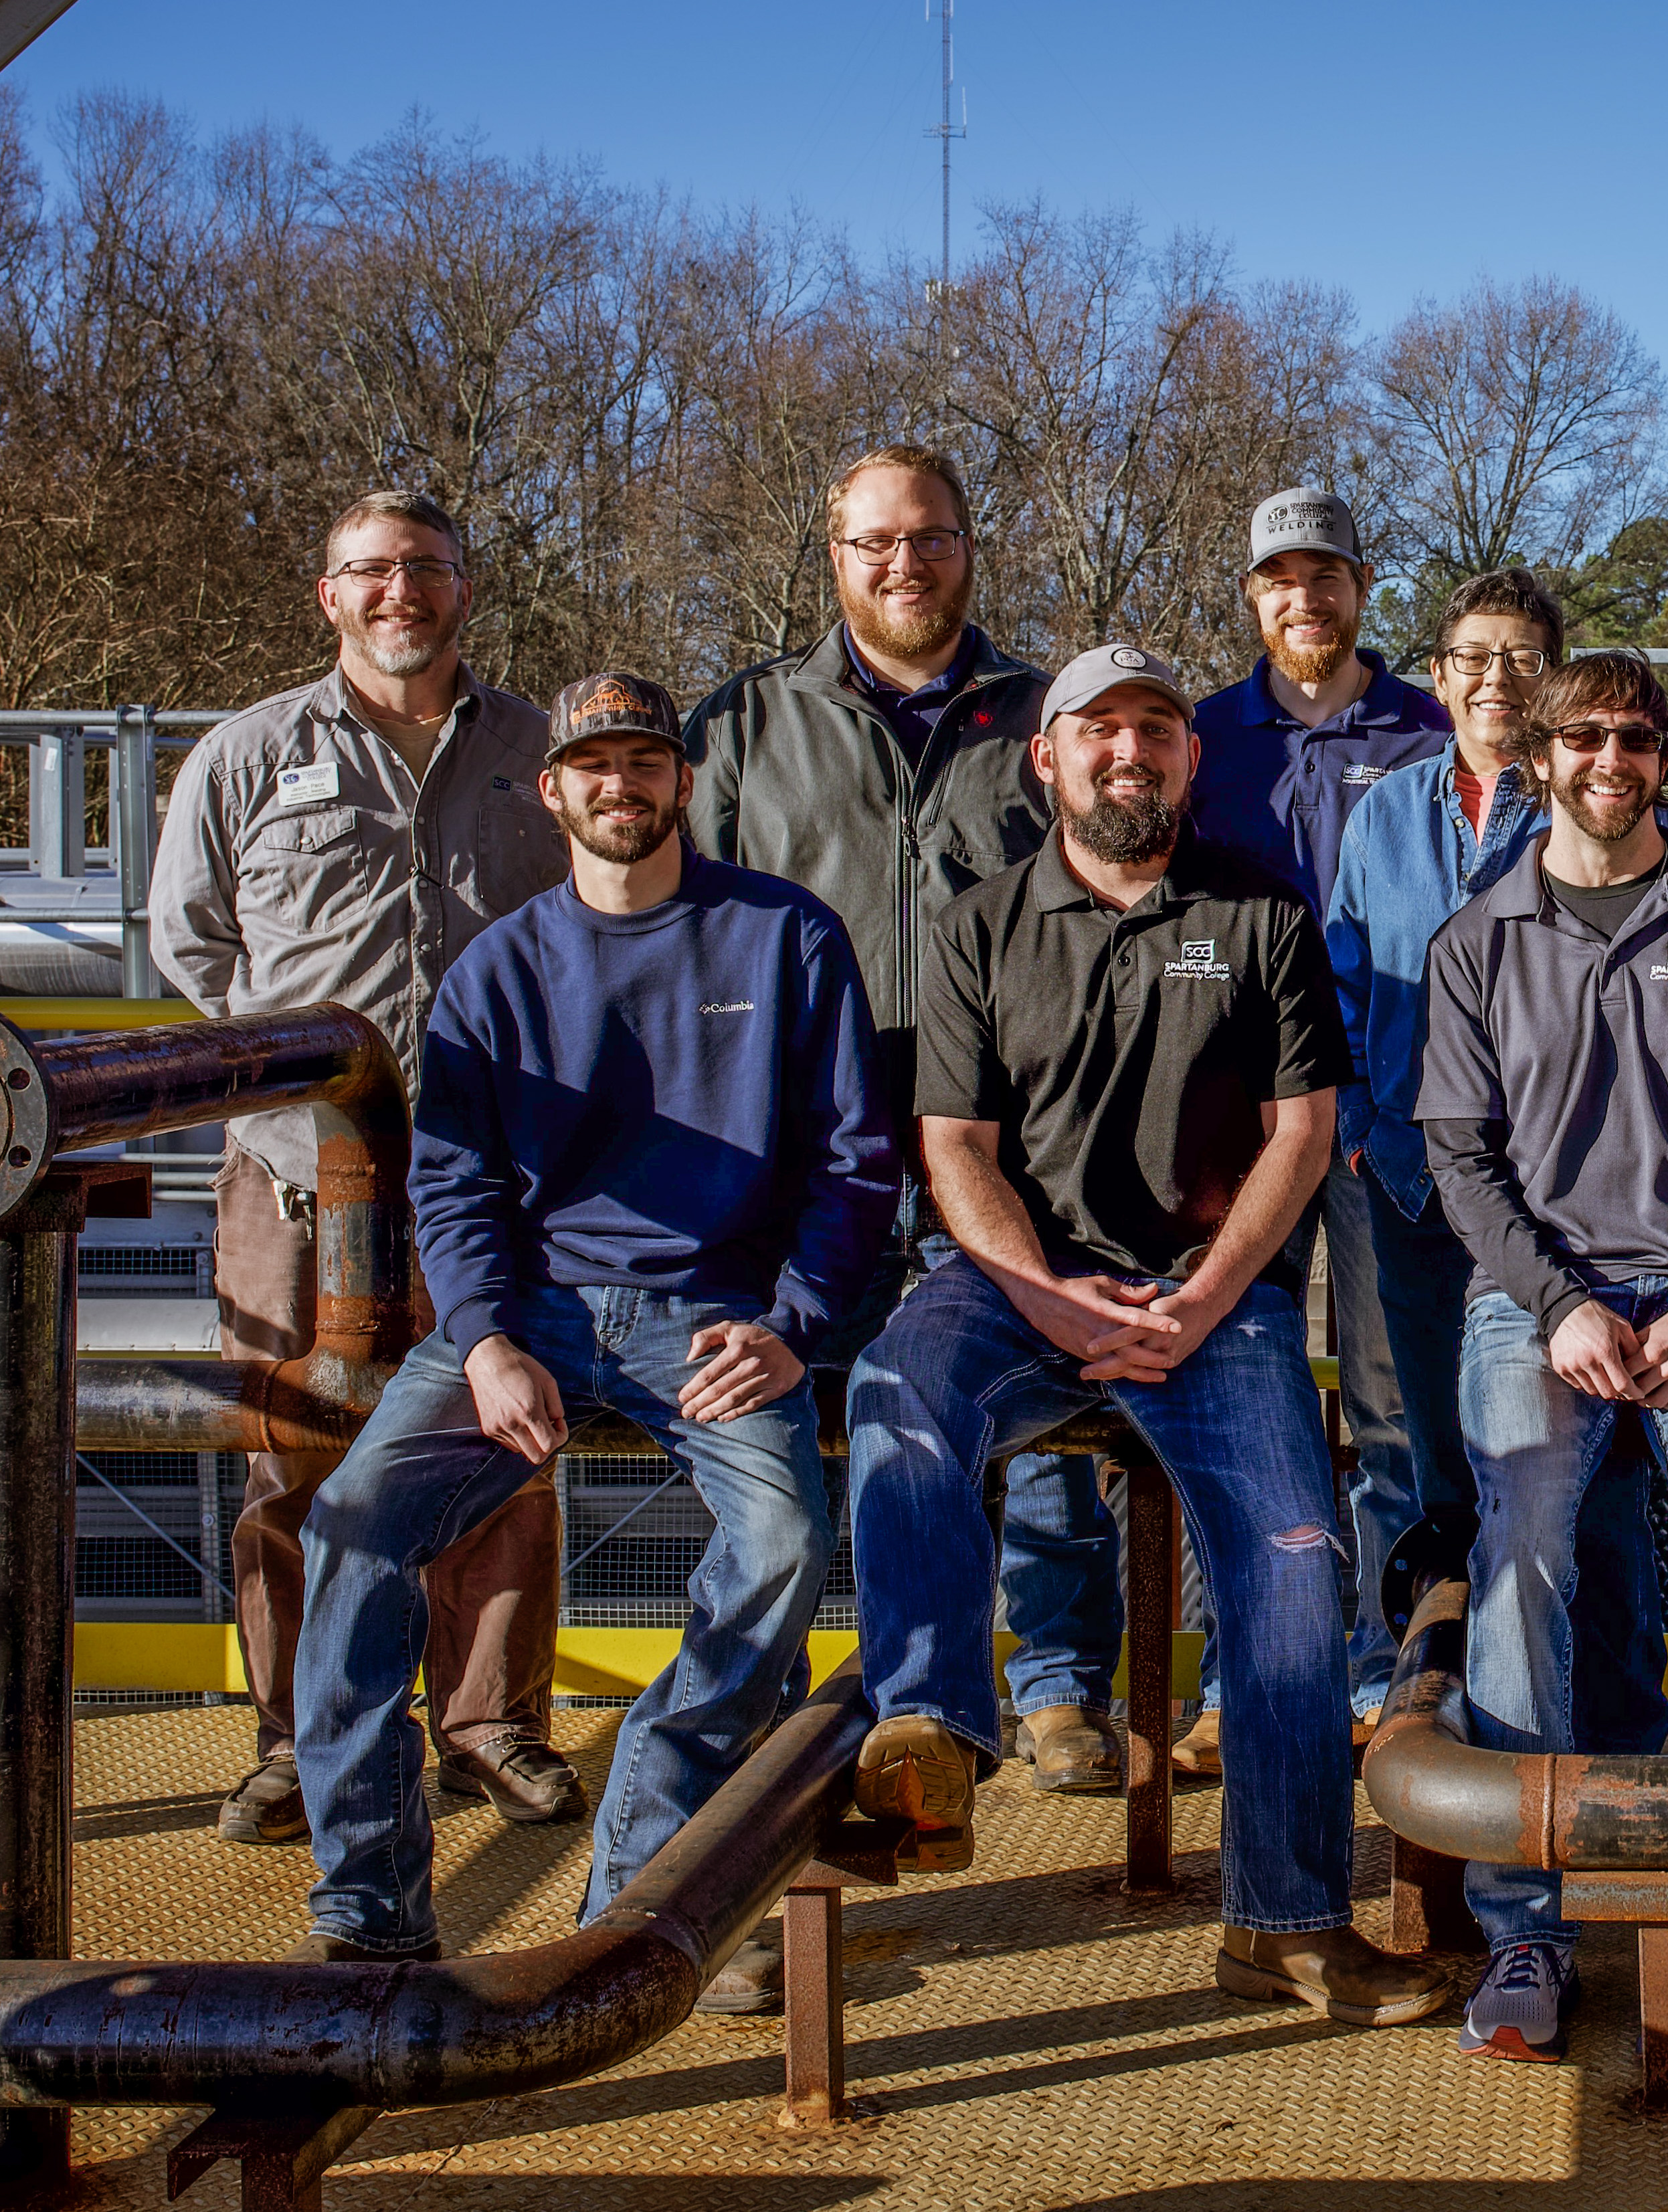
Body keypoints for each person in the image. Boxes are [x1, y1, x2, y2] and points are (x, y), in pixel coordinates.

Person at [844, 641, 1445, 2027]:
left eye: (1158, 730)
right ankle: (933, 1722)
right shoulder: (983, 921)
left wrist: (1209, 1296)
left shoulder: (1258, 908)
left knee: (1295, 1564)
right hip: (1014, 1281)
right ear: (1044, 758)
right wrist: (1050, 1297)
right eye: (1099, 730)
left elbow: (1303, 1132)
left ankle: (1286, 1920)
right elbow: (956, 1146)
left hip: (1208, 1293)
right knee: (897, 1390)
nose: (1132, 753)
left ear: (1191, 755)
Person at [282, 672, 897, 1960]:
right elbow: (448, 1179)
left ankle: (637, 1877)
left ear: (682, 781)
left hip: (720, 1314)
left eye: (645, 762)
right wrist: (490, 1337)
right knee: (351, 1529)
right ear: (551, 791)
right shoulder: (499, 969)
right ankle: (369, 1899)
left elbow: (855, 1160)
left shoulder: (786, 938)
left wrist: (794, 1322)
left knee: (783, 1542)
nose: (621, 786)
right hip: (533, 1314)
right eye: (593, 767)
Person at [681, 445, 1124, 1811]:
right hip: (820, 1142)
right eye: (877, 541)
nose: (905, 563)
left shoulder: (1044, 715)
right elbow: (685, 927)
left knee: (1043, 1404)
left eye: (930, 537)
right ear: (836, 555)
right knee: (814, 1414)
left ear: (969, 548)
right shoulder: (747, 725)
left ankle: (1057, 1683)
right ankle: (838, 1704)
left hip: (1013, 1131)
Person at [150, 488, 576, 1848]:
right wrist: (292, 1103)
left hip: (504, 1180)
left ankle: (491, 1725)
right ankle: (295, 1739)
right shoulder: (246, 755)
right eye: (372, 571)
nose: (403, 593)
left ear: (468, 587)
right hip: (292, 1180)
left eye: (429, 569)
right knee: (295, 1455)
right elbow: (194, 948)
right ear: (326, 593)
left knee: (505, 1449)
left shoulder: (539, 751)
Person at [1418, 653, 1668, 2063]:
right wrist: (1562, 1303)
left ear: (1666, 760)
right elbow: (1459, 1157)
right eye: (1584, 737)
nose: (1610, 760)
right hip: (1542, 1302)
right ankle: (1525, 1913)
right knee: (1521, 1534)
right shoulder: (1482, 937)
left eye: (1637, 739)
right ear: (1537, 756)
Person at [1325, 572, 1665, 1740]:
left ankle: (1616, 1719)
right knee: (1420, 1455)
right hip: (1416, 1187)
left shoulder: (1590, 808)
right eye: (1471, 657)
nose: (1493, 679)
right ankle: (1420, 1690)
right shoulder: (1386, 814)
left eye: (1522, 658)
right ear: (1436, 676)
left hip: (1561, 1200)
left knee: (1590, 1466)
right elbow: (1345, 976)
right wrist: (1365, 1127)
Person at [1186, 486, 1455, 1761]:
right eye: (1281, 577)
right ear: (1254, 595)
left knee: (1396, 1407)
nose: (1307, 597)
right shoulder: (1199, 740)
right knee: (1241, 1392)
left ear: (1361, 587)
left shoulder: (1431, 730)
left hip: (1376, 1120)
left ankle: (1381, 1667)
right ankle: (1242, 1671)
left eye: (1328, 574)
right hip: (1227, 1123)